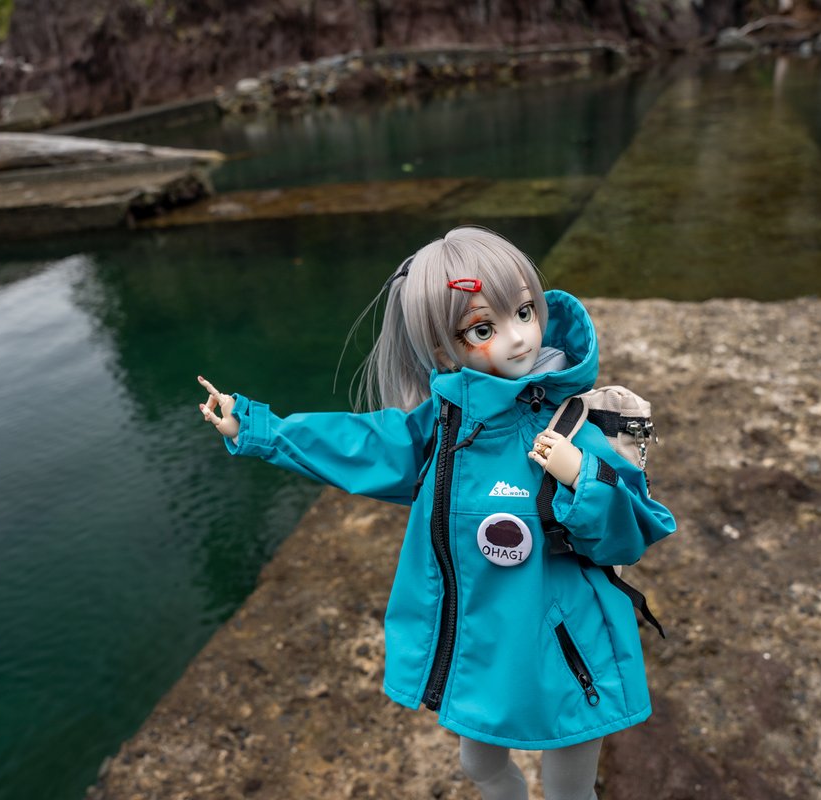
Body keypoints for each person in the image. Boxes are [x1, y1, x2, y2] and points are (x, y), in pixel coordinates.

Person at [197, 226, 676, 800]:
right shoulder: (446, 426)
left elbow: (628, 537)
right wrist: (257, 428)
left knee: (570, 788)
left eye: (525, 311)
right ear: (444, 344)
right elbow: (363, 443)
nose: (518, 338)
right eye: (482, 328)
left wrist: (582, 478)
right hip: (488, 641)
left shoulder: (572, 426)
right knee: (480, 766)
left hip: (566, 639)